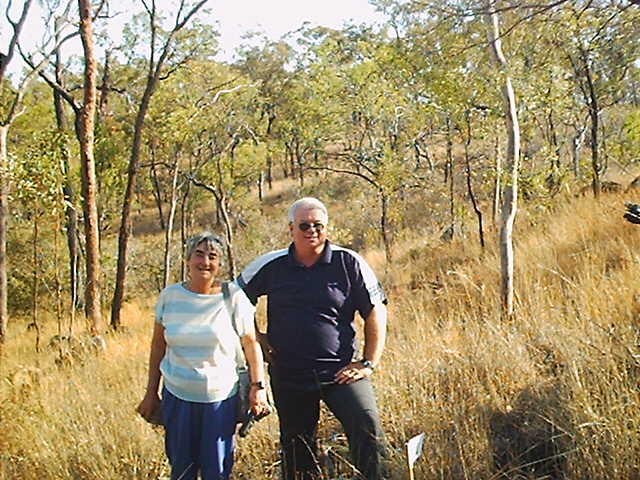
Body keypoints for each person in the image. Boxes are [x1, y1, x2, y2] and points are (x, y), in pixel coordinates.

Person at [237, 197, 388, 480]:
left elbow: (376, 312)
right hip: (289, 374)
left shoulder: (349, 262)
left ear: (327, 227)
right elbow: (235, 300)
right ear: (291, 229)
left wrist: (368, 362)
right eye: (304, 225)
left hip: (340, 372)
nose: (311, 231)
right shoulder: (272, 264)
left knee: (367, 425)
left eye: (318, 225)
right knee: (297, 448)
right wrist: (257, 338)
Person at [137, 232, 269, 480]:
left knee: (216, 471)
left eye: (213, 256)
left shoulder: (233, 297)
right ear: (187, 259)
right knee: (182, 470)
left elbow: (251, 344)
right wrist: (150, 392)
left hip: (219, 402)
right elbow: (158, 346)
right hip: (177, 399)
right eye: (199, 254)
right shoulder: (170, 296)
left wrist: (257, 387)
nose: (205, 262)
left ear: (220, 264)